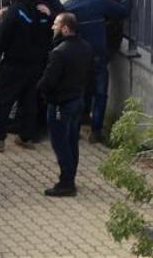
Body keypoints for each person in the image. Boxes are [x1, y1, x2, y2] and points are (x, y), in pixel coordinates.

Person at [0, 0, 54, 152]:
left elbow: (2, 38)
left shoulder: (15, 11)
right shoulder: (44, 12)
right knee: (29, 100)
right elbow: (50, 36)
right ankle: (26, 136)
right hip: (37, 66)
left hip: (13, 65)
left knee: (3, 101)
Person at [63, 0, 135, 144]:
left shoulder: (67, 8)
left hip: (77, 58)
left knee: (79, 90)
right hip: (98, 56)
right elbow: (123, 11)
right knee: (100, 92)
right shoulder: (98, 1)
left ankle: (76, 124)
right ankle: (96, 131)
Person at [37, 12, 93, 197]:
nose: (53, 27)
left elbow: (48, 81)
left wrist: (41, 90)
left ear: (65, 28)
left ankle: (66, 183)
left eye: (56, 25)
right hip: (77, 101)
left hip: (61, 104)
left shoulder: (59, 53)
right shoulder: (85, 47)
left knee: (61, 144)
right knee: (71, 142)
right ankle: (70, 178)